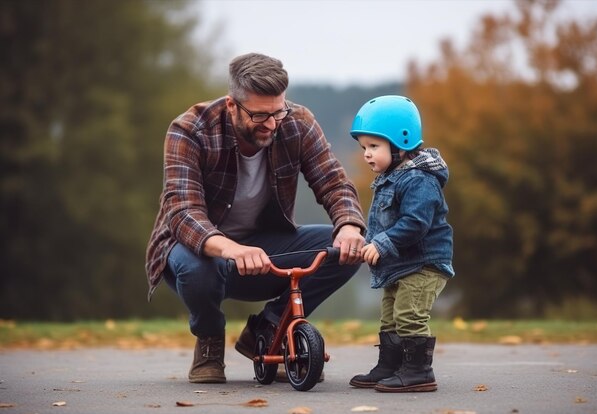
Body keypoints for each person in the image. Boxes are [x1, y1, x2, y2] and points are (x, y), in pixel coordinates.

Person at [145, 52, 366, 384]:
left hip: (265, 251)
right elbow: (183, 212)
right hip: (196, 254)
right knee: (198, 267)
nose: (272, 124)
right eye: (260, 116)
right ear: (233, 106)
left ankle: (270, 328)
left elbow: (333, 181)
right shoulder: (190, 129)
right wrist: (231, 249)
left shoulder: (298, 122)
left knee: (348, 249)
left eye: (278, 112)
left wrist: (349, 225)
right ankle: (209, 340)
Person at [348, 95, 454, 393]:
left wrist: (381, 244)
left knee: (409, 315)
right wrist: (367, 243)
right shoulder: (390, 177)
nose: (367, 154)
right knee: (390, 317)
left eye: (374, 146)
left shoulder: (419, 180)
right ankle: (389, 366)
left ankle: (419, 371)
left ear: (401, 144)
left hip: (423, 264)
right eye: (364, 147)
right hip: (399, 265)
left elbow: (415, 224)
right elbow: (384, 222)